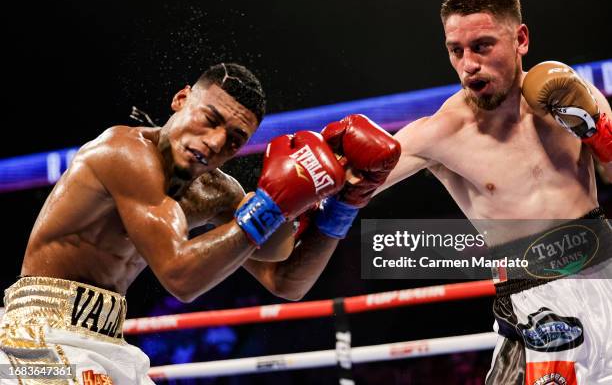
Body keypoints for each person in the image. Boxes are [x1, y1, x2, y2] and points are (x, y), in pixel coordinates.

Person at [0, 62, 400, 384]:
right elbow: (181, 277)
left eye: (233, 139)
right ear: (180, 99)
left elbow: (286, 279)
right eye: (209, 118)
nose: (213, 142)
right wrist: (269, 204)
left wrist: (342, 203)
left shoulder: (215, 190)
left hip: (104, 339)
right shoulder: (123, 153)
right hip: (39, 333)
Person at [375, 0, 612, 384]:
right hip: (536, 307)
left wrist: (598, 132)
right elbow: (350, 187)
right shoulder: (438, 133)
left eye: (482, 46)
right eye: (456, 51)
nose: (468, 64)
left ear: (520, 39)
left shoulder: (574, 92)